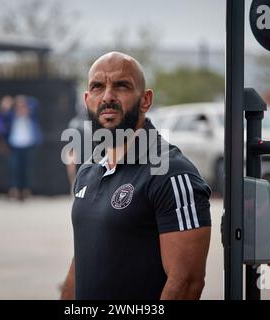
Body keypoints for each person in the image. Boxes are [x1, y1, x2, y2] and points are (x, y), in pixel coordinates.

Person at [60, 52, 211, 300]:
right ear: (88, 100)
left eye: (121, 85)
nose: (108, 97)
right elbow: (83, 259)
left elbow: (186, 284)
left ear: (145, 100)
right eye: (98, 87)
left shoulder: (173, 173)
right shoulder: (87, 171)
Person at [0, 95, 43, 200]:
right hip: (14, 146)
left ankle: (26, 191)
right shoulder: (11, 117)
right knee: (15, 169)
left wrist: (23, 100)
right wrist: (6, 107)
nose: (21, 108)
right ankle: (14, 190)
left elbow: (37, 104)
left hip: (29, 145)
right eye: (18, 106)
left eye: (23, 105)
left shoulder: (31, 116)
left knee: (27, 169)